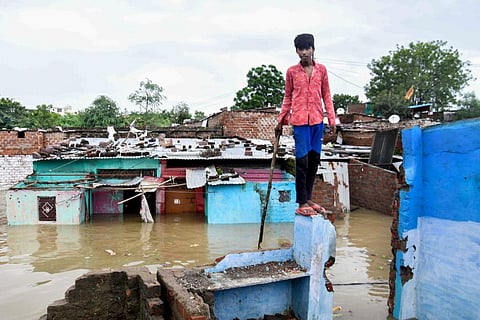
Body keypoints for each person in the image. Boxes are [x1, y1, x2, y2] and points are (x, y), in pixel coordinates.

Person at [276, 33, 336, 216]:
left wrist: (332, 120)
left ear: (313, 49)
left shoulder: (322, 70)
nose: (303, 52)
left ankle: (308, 197)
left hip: (317, 121)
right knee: (302, 162)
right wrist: (281, 120)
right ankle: (302, 202)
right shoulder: (292, 72)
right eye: (300, 49)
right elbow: (287, 96)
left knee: (313, 162)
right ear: (296, 51)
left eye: (306, 48)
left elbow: (326, 95)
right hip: (300, 122)